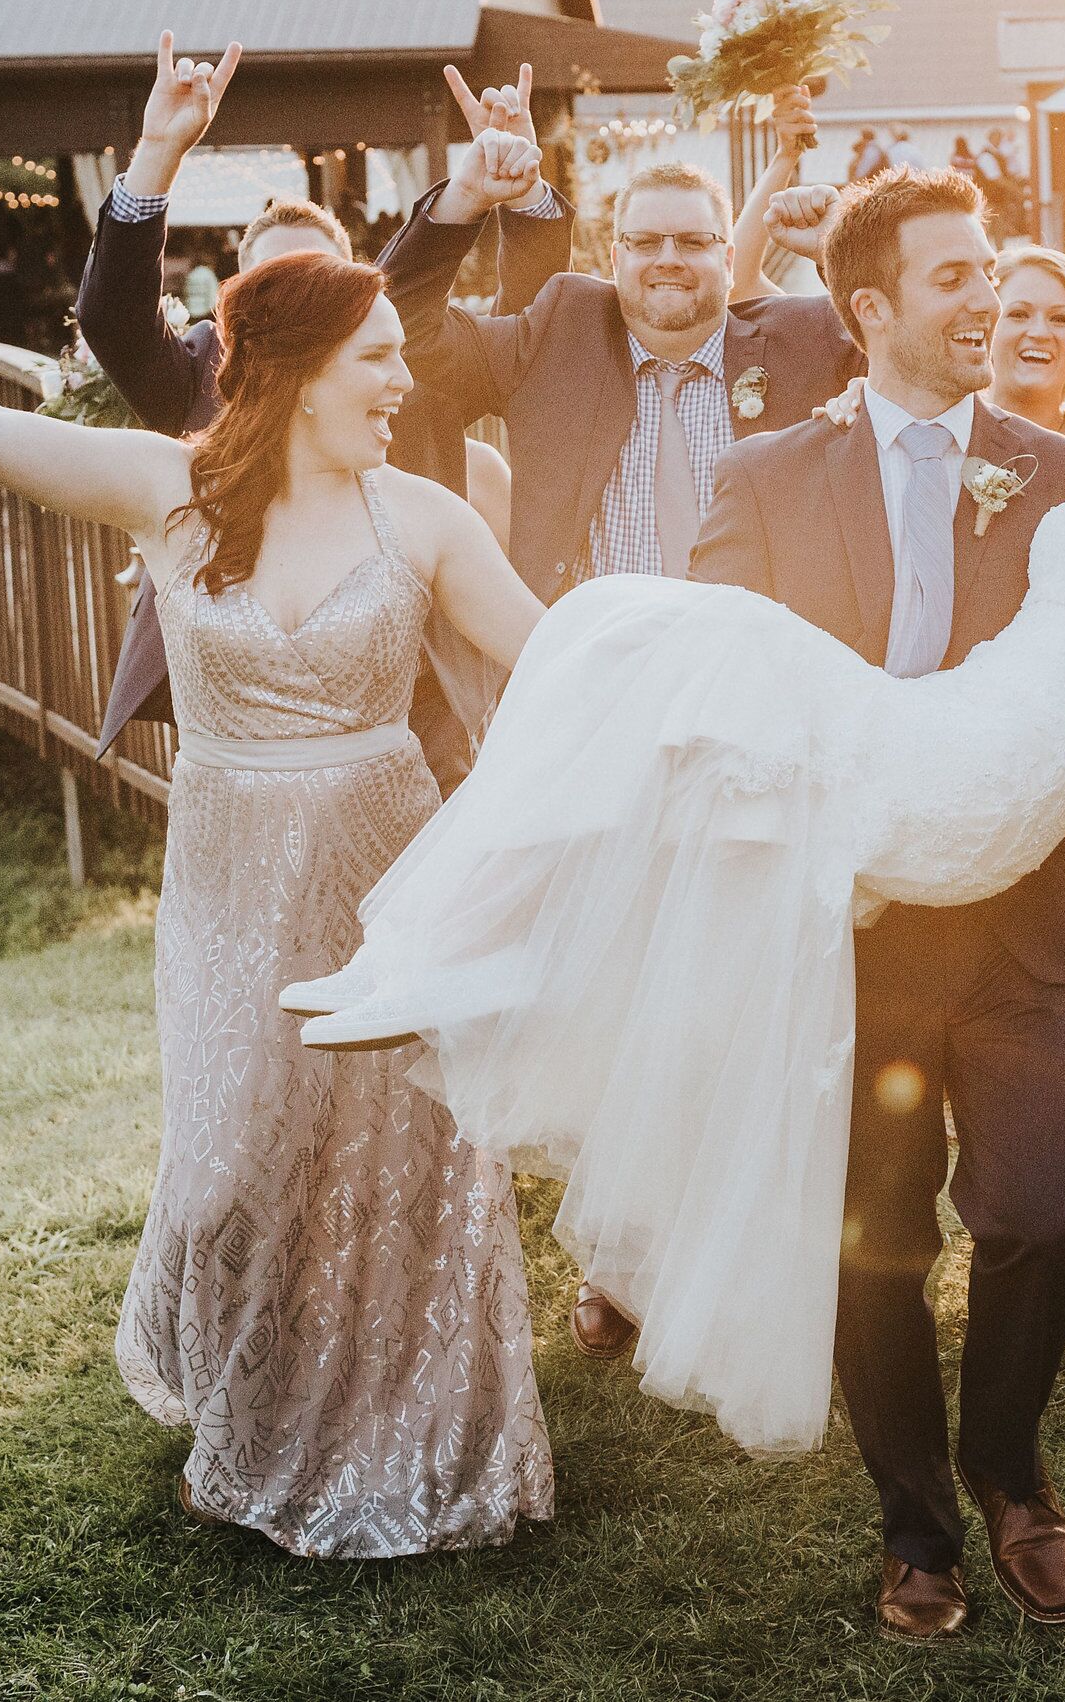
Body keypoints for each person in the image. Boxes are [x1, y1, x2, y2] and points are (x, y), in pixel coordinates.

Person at [285, 164, 1065, 1641]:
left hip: (1026, 916)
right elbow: (704, 701)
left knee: (1045, 1216)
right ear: (872, 307)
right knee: (876, 1237)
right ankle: (917, 1521)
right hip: (839, 942)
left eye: (994, 273)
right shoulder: (768, 475)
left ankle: (1011, 1466)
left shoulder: (1063, 477)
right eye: (959, 277)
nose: (992, 300)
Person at [0, 192, 557, 1560]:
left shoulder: (425, 516)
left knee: (398, 1154)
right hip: (232, 876)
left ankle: (410, 1437)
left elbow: (556, 662)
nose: (402, 378)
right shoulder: (172, 495)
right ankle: (253, 1423)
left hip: (388, 861)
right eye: (376, 356)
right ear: (302, 372)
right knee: (235, 1163)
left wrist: (703, 683)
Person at [375, 80, 862, 1364]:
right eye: (642, 241)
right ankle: (618, 1251)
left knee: (735, 986)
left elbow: (918, 358)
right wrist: (466, 202)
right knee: (601, 987)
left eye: (693, 242)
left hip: (763, 713)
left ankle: (738, 1237)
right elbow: (408, 331)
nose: (666, 264)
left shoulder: (803, 340)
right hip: (596, 712)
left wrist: (842, 250)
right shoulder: (557, 333)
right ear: (613, 255)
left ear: (727, 255)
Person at [73, 42, 559, 758]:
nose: (292, 313)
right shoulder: (201, 369)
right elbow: (112, 316)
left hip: (415, 702)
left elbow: (533, 326)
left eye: (316, 284)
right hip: (246, 714)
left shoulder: (409, 355)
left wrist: (509, 197)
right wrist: (157, 153)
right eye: (268, 289)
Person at [986, 245, 1065, 450]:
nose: (1039, 333)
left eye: (1059, 319)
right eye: (1019, 314)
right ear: (986, 328)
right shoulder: (947, 442)